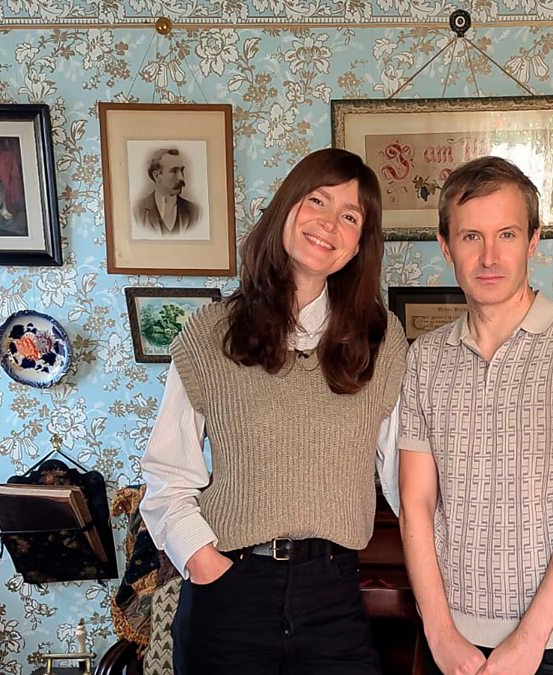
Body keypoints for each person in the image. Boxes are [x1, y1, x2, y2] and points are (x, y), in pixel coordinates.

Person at [140, 148, 407, 674]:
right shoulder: (210, 333)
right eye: (318, 201)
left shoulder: (380, 340)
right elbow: (166, 474)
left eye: (350, 217)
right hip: (229, 595)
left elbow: (404, 476)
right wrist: (203, 561)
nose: (329, 224)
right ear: (287, 207)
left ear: (359, 244)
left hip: (333, 595)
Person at [398, 156, 553, 675]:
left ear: (532, 240)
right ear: (446, 246)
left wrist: (529, 640)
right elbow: (415, 504)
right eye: (471, 237)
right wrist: (439, 632)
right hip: (453, 643)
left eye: (506, 234)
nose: (489, 257)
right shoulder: (425, 357)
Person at [136, 147, 200, 234]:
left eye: (182, 170)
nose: (181, 177)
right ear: (157, 176)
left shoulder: (195, 211)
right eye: (174, 171)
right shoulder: (137, 211)